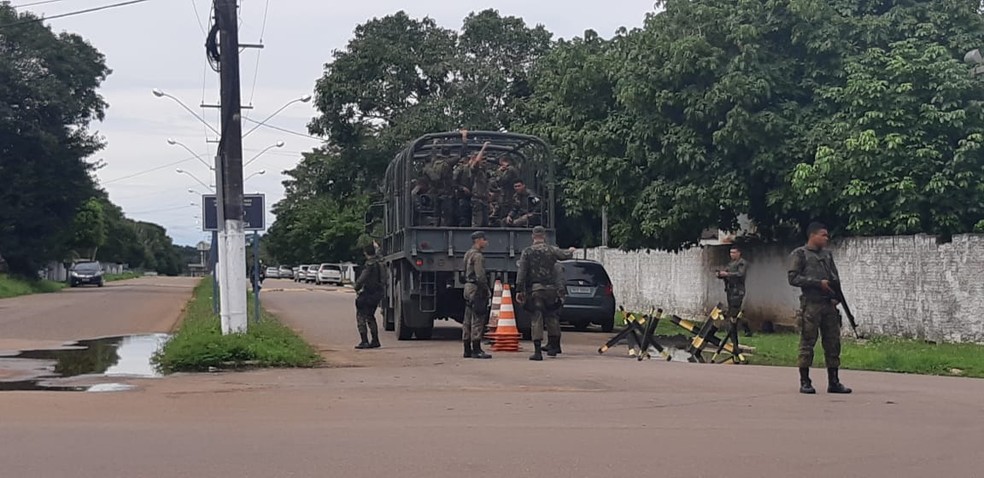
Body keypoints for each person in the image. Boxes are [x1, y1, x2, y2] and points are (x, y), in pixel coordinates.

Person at [788, 222, 852, 395]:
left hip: (828, 305)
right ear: (812, 235)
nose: (826, 238)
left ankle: (834, 381)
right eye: (823, 235)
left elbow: (834, 278)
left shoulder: (827, 255)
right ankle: (805, 381)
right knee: (807, 342)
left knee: (833, 343)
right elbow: (793, 278)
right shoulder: (800, 254)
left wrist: (836, 297)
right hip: (811, 304)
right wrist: (817, 284)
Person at [516, 226, 576, 361]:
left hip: (536, 290)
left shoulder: (527, 252)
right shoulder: (551, 250)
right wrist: (571, 250)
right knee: (552, 316)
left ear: (533, 236)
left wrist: (519, 290)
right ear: (544, 236)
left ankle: (537, 351)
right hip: (551, 290)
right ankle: (553, 347)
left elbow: (522, 273)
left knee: (536, 318)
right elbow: (565, 255)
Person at [462, 231, 492, 359]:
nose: (486, 242)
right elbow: (480, 275)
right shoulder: (478, 256)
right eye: (484, 240)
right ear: (478, 240)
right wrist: (485, 290)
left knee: (467, 319)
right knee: (478, 318)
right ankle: (476, 349)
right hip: (476, 287)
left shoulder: (468, 254)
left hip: (467, 287)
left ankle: (467, 348)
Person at [716, 246, 753, 336]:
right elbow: (726, 273)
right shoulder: (731, 264)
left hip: (738, 290)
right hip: (730, 289)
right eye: (731, 252)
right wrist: (720, 274)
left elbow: (740, 274)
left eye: (734, 252)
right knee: (734, 311)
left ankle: (738, 330)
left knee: (734, 311)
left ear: (739, 253)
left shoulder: (742, 263)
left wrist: (727, 274)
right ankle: (743, 329)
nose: (732, 254)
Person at [354, 244, 385, 350]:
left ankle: (364, 340)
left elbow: (363, 277)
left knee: (361, 316)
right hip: (377, 293)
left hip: (368, 293)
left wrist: (356, 286)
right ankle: (375, 340)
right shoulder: (380, 263)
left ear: (365, 253)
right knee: (371, 316)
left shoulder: (369, 265)